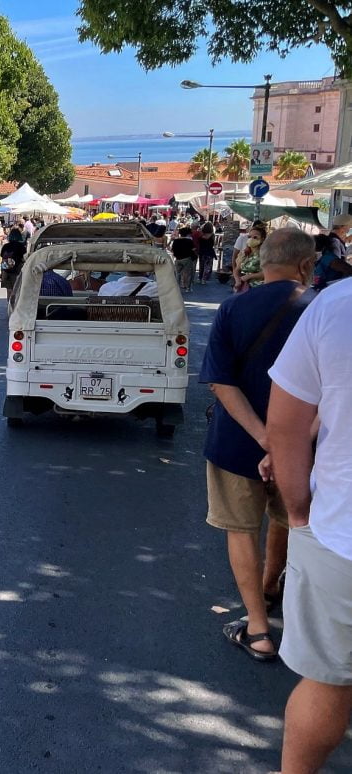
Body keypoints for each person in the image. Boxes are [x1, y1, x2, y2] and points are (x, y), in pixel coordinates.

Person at [201, 228, 315, 668]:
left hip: (235, 442)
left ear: (261, 262)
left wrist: (264, 437)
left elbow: (220, 381)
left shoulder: (233, 308)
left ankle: (258, 629)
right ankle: (295, 614)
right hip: (309, 447)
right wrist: (285, 443)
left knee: (240, 529)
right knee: (297, 522)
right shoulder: (324, 312)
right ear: (306, 265)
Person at [266, 235, 352, 773]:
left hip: (341, 533)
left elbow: (286, 425)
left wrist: (298, 512)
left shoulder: (337, 305)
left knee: (326, 682)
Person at [235, 225, 267, 292]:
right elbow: (237, 270)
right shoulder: (244, 254)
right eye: (249, 237)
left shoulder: (265, 254)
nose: (251, 239)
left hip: (259, 289)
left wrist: (249, 276)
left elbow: (266, 272)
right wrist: (238, 281)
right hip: (243, 288)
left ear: (262, 239)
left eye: (255, 237)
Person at [0, 227, 28, 301]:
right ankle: (14, 308)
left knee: (9, 291)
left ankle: (9, 307)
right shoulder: (21, 247)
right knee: (16, 291)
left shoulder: (6, 246)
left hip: (6, 270)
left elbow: (2, 259)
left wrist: (2, 272)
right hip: (17, 271)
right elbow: (25, 259)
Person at [170, 226, 197, 293]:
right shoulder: (189, 241)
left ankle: (176, 287)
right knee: (188, 274)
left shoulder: (176, 240)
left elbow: (172, 250)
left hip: (178, 258)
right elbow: (193, 249)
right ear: (187, 234)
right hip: (187, 258)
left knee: (177, 274)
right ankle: (188, 287)